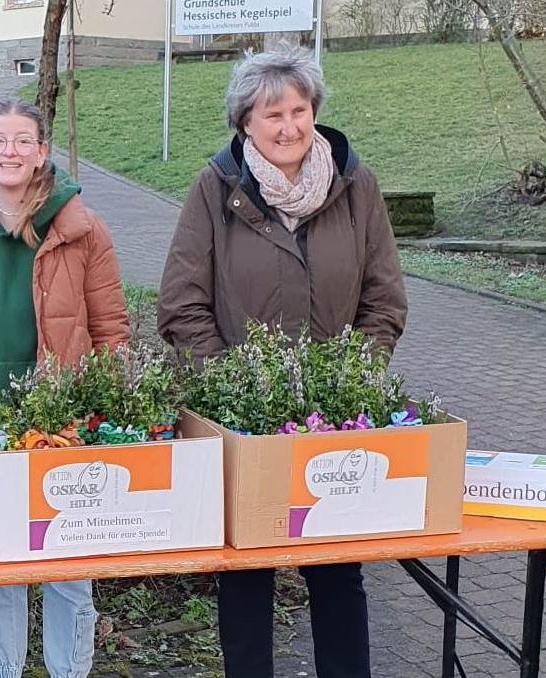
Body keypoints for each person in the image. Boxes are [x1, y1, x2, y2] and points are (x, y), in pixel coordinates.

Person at [157, 47, 408, 678]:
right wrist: (240, 388)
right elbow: (181, 306)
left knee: (337, 571)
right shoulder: (215, 189)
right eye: (273, 114)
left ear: (315, 113)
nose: (289, 125)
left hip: (335, 416)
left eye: (300, 109)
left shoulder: (356, 185)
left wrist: (349, 378)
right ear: (245, 123)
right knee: (247, 570)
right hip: (245, 418)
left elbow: (384, 299)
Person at [0, 98, 129, 678]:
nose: (11, 152)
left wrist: (106, 402)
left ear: (42, 151)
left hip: (62, 413)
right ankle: (5, 668)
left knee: (67, 557)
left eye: (23, 140)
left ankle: (67, 671)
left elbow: (111, 325)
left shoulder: (81, 228)